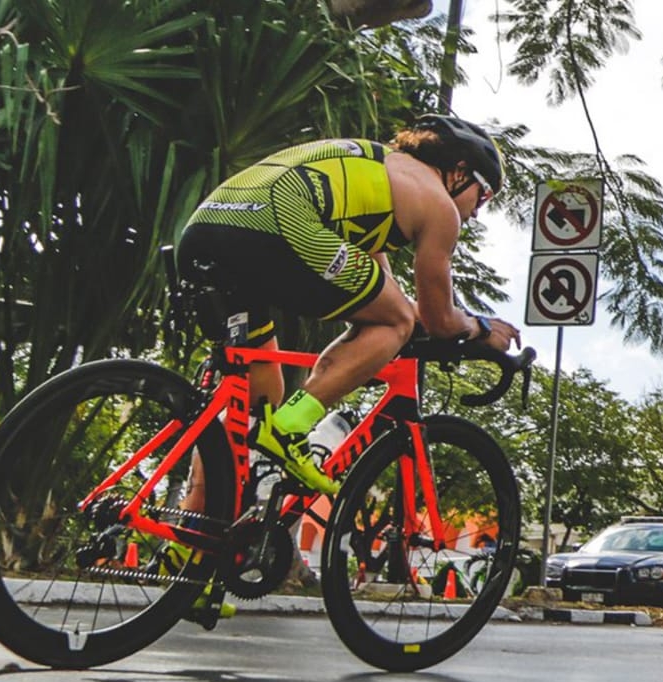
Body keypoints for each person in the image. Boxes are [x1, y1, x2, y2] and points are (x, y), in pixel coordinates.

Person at [176, 115, 521, 494]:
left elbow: (378, 288)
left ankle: (192, 534)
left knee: (256, 406)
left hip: (206, 229)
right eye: (484, 197)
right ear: (459, 172)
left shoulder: (377, 177)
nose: (475, 213)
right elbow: (437, 319)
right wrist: (481, 328)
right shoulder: (439, 206)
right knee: (395, 322)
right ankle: (291, 428)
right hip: (278, 222)